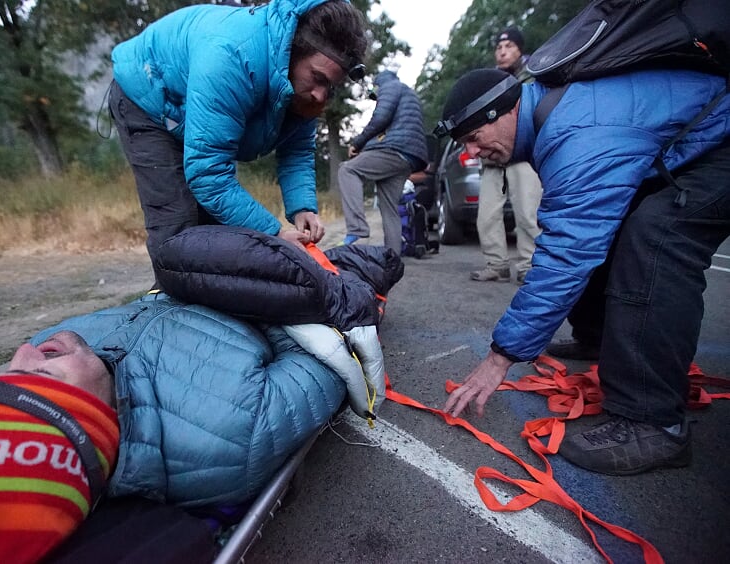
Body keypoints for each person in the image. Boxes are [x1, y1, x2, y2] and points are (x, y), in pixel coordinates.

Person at [0, 233, 403, 562]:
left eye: (10, 372)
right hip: (280, 297)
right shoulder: (224, 439)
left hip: (226, 266)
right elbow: (321, 363)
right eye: (37, 379)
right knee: (368, 261)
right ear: (87, 426)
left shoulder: (60, 342)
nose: (25, 352)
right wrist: (263, 298)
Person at [436, 66, 730, 476]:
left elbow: (568, 254)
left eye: (472, 137)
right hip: (700, 139)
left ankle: (654, 422)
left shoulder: (574, 132)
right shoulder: (555, 114)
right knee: (612, 225)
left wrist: (501, 357)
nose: (471, 152)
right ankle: (597, 337)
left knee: (657, 236)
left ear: (502, 112)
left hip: (721, 143)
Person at [109, 0, 368, 280]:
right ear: (291, 51)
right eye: (317, 78)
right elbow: (208, 174)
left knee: (216, 227)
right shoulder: (232, 55)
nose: (320, 95)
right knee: (179, 227)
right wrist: (274, 234)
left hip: (194, 104)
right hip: (148, 93)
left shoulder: (303, 86)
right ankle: (172, 309)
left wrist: (302, 206)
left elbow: (297, 150)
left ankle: (216, 303)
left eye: (330, 85)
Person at [471, 27, 542, 284]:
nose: (502, 51)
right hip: (492, 160)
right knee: (487, 215)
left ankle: (528, 266)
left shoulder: (534, 76)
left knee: (528, 213)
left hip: (523, 154)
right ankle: (496, 264)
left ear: (520, 50)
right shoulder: (489, 82)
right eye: (499, 48)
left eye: (509, 46)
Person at [338, 70, 429, 255]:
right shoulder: (406, 91)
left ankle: (357, 229)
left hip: (396, 149)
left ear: (377, 84)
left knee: (347, 170)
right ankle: (392, 259)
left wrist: (357, 143)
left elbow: (381, 118)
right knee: (389, 208)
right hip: (410, 157)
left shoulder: (389, 87)